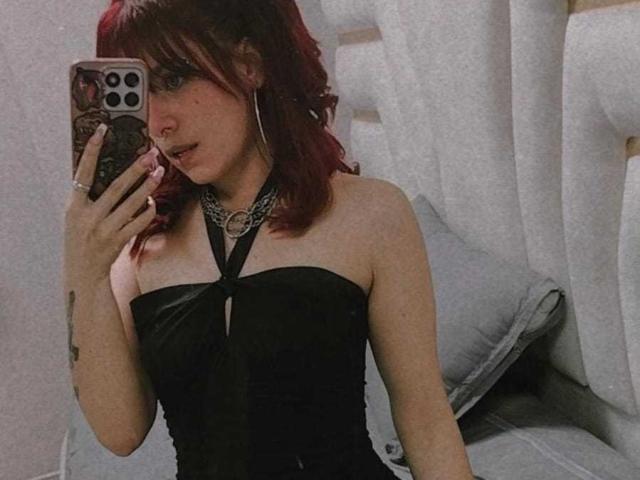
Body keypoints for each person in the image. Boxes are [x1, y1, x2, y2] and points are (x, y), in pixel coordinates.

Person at [63, 0, 477, 478]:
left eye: (174, 79)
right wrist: (82, 264)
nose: (158, 124)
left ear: (249, 64)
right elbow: (119, 432)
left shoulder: (372, 214)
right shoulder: (137, 247)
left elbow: (425, 421)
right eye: (141, 94)